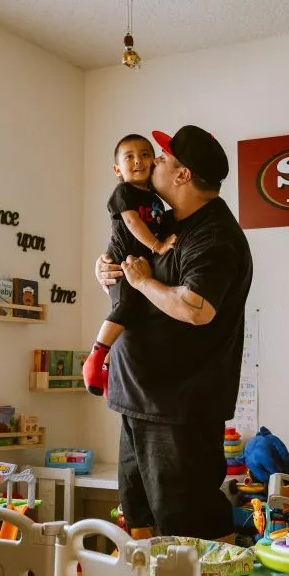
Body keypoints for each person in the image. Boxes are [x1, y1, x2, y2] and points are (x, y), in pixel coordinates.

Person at [94, 125, 254, 543]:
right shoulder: (160, 222)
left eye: (161, 158)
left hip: (177, 407)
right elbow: (131, 274)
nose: (151, 164)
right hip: (139, 396)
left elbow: (195, 308)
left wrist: (145, 282)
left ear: (183, 175)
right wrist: (108, 271)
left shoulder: (213, 235)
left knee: (189, 525)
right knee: (141, 516)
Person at [81, 134, 177, 395]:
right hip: (122, 262)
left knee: (131, 317)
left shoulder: (155, 198)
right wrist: (158, 247)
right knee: (125, 307)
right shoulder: (124, 192)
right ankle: (95, 356)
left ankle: (107, 370)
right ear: (117, 169)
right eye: (130, 157)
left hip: (140, 266)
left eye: (145, 154)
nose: (139, 161)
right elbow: (133, 223)